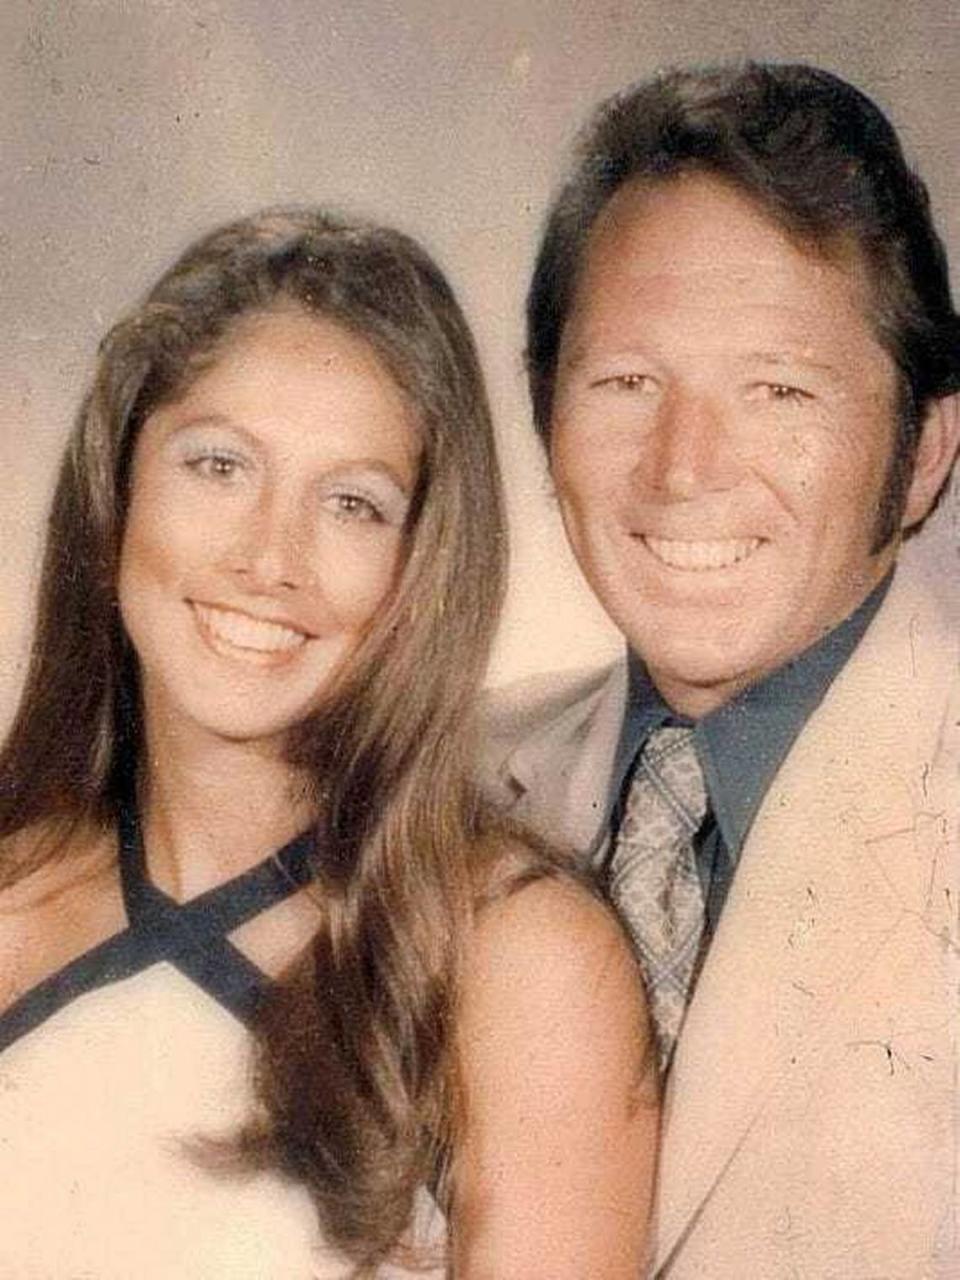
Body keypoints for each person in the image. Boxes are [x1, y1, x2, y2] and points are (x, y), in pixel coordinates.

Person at [0, 209, 658, 1278]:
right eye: (218, 465)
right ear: (117, 482)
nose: (271, 557)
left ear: (422, 563)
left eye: (353, 502)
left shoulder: (516, 958)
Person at [484, 62, 960, 1277]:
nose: (684, 467)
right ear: (544, 410)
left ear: (924, 455)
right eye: (628, 382)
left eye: (779, 387)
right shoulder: (445, 780)